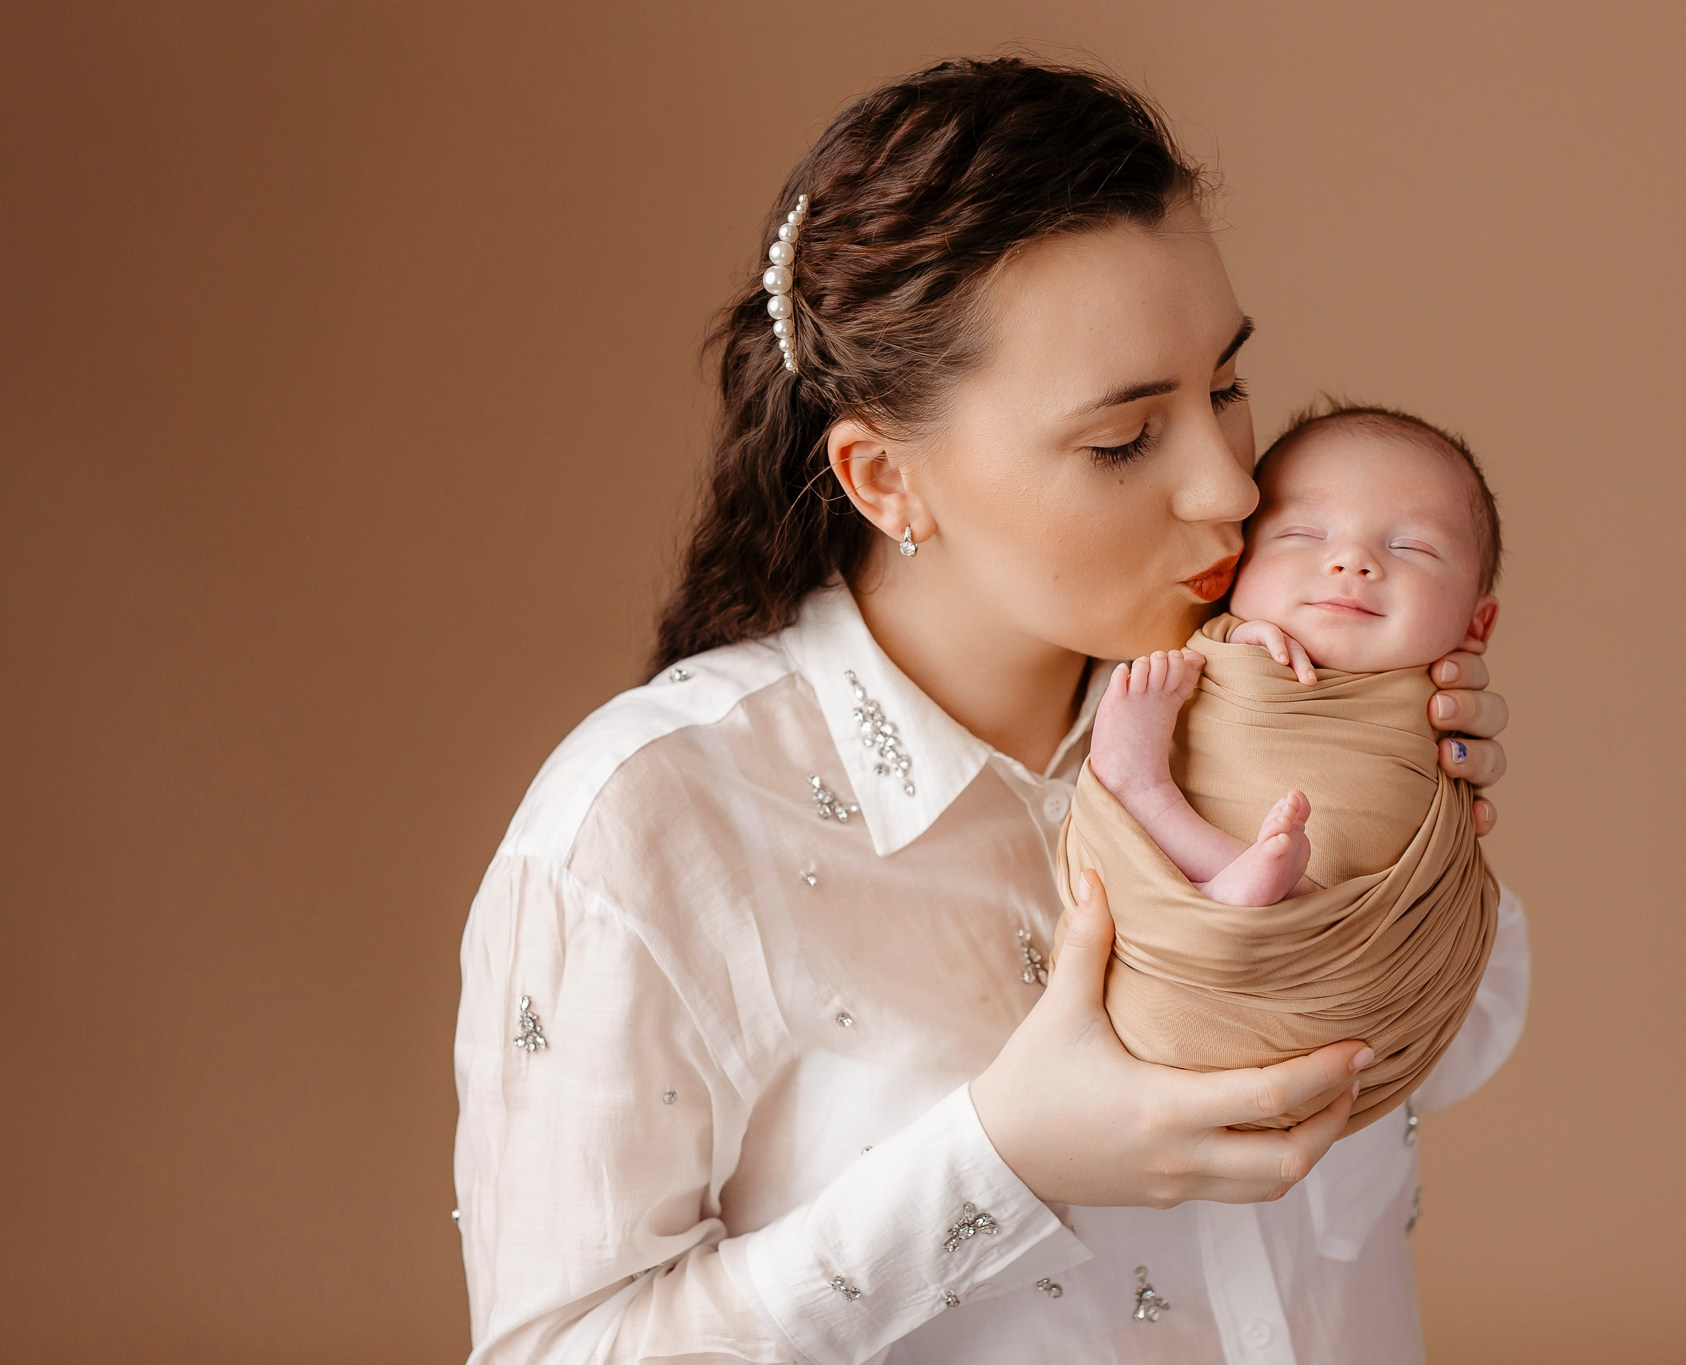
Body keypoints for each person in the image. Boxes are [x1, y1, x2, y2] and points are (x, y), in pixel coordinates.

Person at [452, 56, 1524, 1365]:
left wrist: (1416, 832)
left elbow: (1437, 1065)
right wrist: (998, 1162)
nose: (1231, 492)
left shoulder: (1275, 694)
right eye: (1125, 439)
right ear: (885, 478)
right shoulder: (651, 824)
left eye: (1226, 388)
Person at [1050, 403, 1505, 1138]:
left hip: (1348, 989)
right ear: (1237, 568)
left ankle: (1217, 858)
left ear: (1477, 626)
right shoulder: (1214, 653)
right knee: (1246, 874)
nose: (1353, 562)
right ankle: (1191, 840)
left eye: (1413, 548)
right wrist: (1239, 636)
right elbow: (1207, 656)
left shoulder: (1447, 712)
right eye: (1302, 535)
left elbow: (1440, 911)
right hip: (1165, 979)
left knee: (1328, 886)